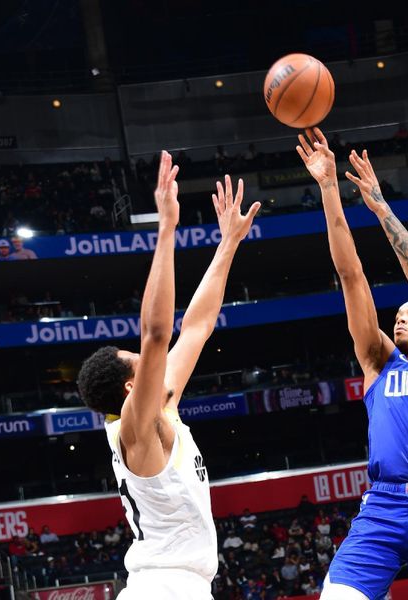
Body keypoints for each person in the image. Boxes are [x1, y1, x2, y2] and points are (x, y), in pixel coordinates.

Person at [296, 128, 408, 600]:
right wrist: (330, 190)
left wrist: (381, 208)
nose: (402, 318)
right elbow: (350, 274)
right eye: (397, 315)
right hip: (381, 508)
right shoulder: (380, 362)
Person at [77, 152, 260, 599]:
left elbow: (196, 326)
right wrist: (166, 227)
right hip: (163, 588)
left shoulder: (163, 407)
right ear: (128, 388)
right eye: (138, 361)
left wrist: (228, 244)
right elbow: (157, 333)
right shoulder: (136, 427)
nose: (149, 358)